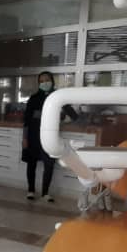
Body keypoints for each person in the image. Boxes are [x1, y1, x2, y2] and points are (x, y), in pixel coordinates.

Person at [22, 71, 78, 202]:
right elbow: (27, 120)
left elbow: (74, 115)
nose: (44, 83)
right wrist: (24, 138)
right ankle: (30, 190)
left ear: (52, 81)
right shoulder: (34, 98)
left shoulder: (58, 97)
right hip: (33, 135)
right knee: (31, 163)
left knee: (49, 164)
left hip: (50, 137)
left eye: (47, 80)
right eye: (41, 81)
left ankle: (45, 193)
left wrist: (63, 118)